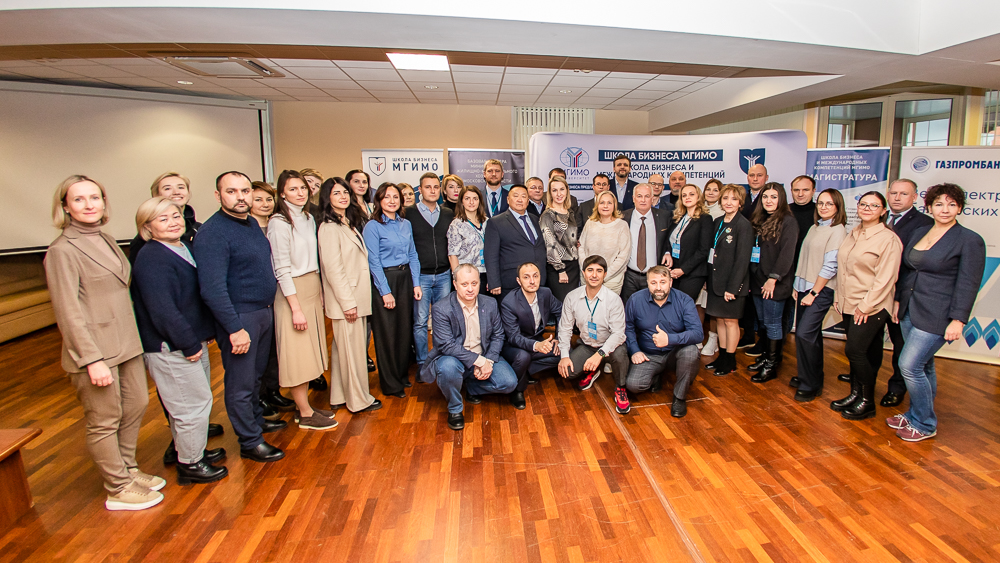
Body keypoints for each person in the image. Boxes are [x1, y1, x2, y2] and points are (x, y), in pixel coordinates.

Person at [45, 175, 164, 510]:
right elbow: (67, 311)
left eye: (95, 197)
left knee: (136, 404)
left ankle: (128, 468)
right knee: (104, 419)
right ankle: (117, 487)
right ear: (65, 206)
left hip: (126, 342)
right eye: (79, 199)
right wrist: (91, 359)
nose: (89, 205)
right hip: (95, 350)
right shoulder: (62, 250)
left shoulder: (106, 238)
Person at [131, 197, 228, 485]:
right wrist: (188, 343)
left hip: (191, 340)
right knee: (190, 406)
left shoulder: (182, 247)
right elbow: (163, 310)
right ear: (147, 227)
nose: (173, 222)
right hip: (172, 346)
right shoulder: (151, 257)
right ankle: (190, 465)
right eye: (163, 219)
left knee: (194, 402)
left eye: (175, 216)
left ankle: (191, 451)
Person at [194, 171, 286, 463]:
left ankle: (256, 422)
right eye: (231, 191)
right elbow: (212, 289)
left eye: (245, 191)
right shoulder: (213, 233)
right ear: (218, 195)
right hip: (240, 317)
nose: (240, 197)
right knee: (241, 382)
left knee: (256, 376)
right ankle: (250, 441)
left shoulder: (250, 224)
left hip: (263, 311)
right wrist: (234, 328)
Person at [889, 183, 985, 442]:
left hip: (939, 314)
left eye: (952, 204)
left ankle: (925, 423)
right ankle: (914, 414)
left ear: (960, 208)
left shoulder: (969, 239)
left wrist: (958, 320)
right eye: (939, 204)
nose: (945, 209)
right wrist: (898, 300)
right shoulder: (921, 231)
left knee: (909, 366)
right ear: (929, 207)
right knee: (925, 365)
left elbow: (969, 283)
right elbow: (908, 271)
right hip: (910, 308)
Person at [266, 170, 335, 430]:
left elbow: (314, 260)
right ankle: (305, 413)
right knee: (296, 354)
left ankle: (303, 406)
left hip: (311, 285)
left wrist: (319, 292)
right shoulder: (279, 223)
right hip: (291, 291)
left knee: (309, 352)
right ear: (282, 193)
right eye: (293, 189)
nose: (300, 193)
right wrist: (295, 308)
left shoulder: (307, 217)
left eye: (303, 188)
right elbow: (281, 269)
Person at [419, 264, 518, 431]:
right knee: (447, 368)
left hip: (484, 354)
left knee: (509, 383)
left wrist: (488, 361)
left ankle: (470, 387)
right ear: (455, 284)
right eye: (464, 284)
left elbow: (498, 335)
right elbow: (446, 345)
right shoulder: (441, 308)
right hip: (454, 359)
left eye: (474, 283)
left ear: (480, 283)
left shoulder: (490, 303)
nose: (470, 289)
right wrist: (479, 361)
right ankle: (455, 408)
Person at [830, 191, 902, 421]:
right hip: (849, 301)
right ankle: (855, 394)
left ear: (883, 211)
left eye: (874, 205)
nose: (867, 209)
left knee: (855, 351)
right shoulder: (854, 233)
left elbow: (886, 278)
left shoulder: (888, 239)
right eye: (863, 204)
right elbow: (843, 269)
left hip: (872, 305)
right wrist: (839, 296)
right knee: (866, 352)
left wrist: (865, 306)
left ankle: (867, 401)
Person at [318, 178, 382, 414]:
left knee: (342, 351)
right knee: (353, 353)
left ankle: (339, 395)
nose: (343, 197)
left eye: (345, 192)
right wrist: (347, 304)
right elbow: (333, 270)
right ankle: (358, 400)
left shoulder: (346, 223)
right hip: (348, 301)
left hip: (356, 297)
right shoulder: (328, 228)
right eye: (336, 193)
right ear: (327, 198)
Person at [874, 178, 935, 406]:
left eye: (904, 194)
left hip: (900, 295)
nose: (897, 198)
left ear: (915, 197)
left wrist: (899, 297)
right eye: (893, 193)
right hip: (874, 292)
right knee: (870, 339)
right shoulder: (878, 217)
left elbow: (912, 266)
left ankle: (897, 388)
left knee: (900, 345)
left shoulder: (924, 224)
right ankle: (864, 376)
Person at [363, 182, 423, 398]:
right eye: (387, 197)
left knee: (404, 330)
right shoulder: (373, 226)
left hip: (405, 278)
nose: (392, 201)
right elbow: (374, 261)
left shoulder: (405, 224)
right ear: (379, 200)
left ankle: (401, 375)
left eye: (395, 197)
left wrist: (416, 283)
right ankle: (390, 383)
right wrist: (385, 292)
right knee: (387, 333)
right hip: (386, 279)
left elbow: (413, 254)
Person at [624, 266, 703, 417]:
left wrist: (669, 339)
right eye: (653, 283)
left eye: (663, 282)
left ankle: (679, 398)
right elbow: (628, 328)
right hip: (649, 355)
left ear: (670, 282)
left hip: (675, 353)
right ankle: (657, 375)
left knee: (691, 351)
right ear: (647, 283)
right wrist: (635, 351)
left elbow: (698, 334)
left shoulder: (684, 300)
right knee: (634, 385)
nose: (658, 288)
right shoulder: (635, 300)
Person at [791, 189, 847, 401]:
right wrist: (797, 286)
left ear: (838, 207)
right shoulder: (815, 227)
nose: (823, 207)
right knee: (808, 336)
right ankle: (808, 376)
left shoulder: (837, 230)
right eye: (821, 203)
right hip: (804, 287)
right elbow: (804, 258)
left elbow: (830, 266)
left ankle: (811, 384)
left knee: (805, 334)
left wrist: (814, 292)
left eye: (829, 204)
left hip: (820, 291)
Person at [557, 255, 629, 412]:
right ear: (583, 273)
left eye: (599, 271)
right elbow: (565, 328)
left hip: (610, 347)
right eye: (590, 270)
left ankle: (621, 388)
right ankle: (592, 370)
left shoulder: (614, 299)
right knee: (567, 371)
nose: (594, 275)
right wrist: (564, 356)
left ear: (605, 274)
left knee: (620, 354)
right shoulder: (572, 297)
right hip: (588, 345)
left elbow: (618, 334)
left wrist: (600, 355)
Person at [249, 181, 296, 412]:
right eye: (258, 199)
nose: (265, 204)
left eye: (269, 199)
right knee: (256, 355)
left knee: (274, 349)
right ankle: (258, 398)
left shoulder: (276, 225)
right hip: (256, 299)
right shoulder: (248, 229)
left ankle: (273, 390)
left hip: (277, 292)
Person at [746, 183, 799, 383]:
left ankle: (772, 365)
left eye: (774, 197)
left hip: (774, 283)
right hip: (758, 280)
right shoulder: (759, 219)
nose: (769, 200)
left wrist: (773, 278)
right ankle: (766, 356)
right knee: (763, 322)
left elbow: (787, 254)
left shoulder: (788, 221)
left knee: (773, 323)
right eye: (765, 197)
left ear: (781, 199)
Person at [407, 172, 455, 368]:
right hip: (421, 276)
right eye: (428, 187)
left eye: (436, 187)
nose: (432, 190)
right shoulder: (408, 213)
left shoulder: (448, 213)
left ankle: (439, 360)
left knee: (441, 320)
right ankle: (422, 363)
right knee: (420, 322)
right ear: (420, 190)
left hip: (444, 275)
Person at [705, 184, 753, 376]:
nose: (729, 202)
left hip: (732, 284)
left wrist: (732, 288)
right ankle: (722, 356)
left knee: (731, 322)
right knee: (720, 320)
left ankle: (730, 360)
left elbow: (742, 260)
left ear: (740, 202)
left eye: (733, 199)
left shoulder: (743, 225)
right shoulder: (718, 222)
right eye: (725, 198)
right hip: (716, 281)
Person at [500, 262, 563, 408]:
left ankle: (526, 370)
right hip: (513, 345)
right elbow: (513, 337)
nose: (532, 281)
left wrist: (558, 338)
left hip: (535, 340)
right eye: (526, 277)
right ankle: (517, 389)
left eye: (535, 276)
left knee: (564, 353)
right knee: (523, 357)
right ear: (519, 281)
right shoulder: (509, 302)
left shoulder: (545, 293)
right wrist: (537, 345)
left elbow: (561, 312)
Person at [484, 184, 547, 303]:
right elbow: (490, 255)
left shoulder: (535, 219)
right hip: (511, 281)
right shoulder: (496, 222)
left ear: (528, 201)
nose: (519, 199)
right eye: (516, 196)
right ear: (508, 199)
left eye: (523, 196)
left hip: (537, 280)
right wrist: (494, 282)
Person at [128, 172, 201, 266]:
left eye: (181, 187)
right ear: (156, 195)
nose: (176, 192)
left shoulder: (199, 229)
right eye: (167, 188)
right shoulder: (144, 240)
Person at [737, 164, 770, 350]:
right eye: (751, 175)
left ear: (766, 177)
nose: (755, 178)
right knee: (747, 300)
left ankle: (764, 341)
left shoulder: (769, 198)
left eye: (759, 175)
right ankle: (748, 335)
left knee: (762, 301)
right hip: (745, 254)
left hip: (763, 257)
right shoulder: (743, 197)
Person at [621, 184, 670, 304]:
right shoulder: (623, 217)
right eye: (639, 196)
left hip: (654, 276)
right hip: (629, 275)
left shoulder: (664, 216)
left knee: (652, 309)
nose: (643, 200)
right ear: (633, 198)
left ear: (652, 198)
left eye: (647, 196)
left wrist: (667, 252)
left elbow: (669, 238)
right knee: (629, 308)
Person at [665, 184, 713, 303]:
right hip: (674, 270)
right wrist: (667, 253)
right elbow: (668, 239)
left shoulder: (705, 219)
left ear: (698, 197)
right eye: (684, 195)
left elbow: (704, 250)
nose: (687, 197)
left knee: (683, 306)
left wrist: (683, 270)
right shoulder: (678, 218)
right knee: (672, 306)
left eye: (691, 194)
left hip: (693, 273)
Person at [579, 190, 631, 295]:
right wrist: (588, 272)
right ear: (597, 205)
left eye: (609, 203)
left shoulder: (622, 225)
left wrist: (604, 275)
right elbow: (581, 248)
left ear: (614, 205)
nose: (605, 206)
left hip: (611, 280)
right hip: (588, 279)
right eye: (602, 202)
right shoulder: (590, 223)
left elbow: (624, 256)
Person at [540, 176, 580, 302]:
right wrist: (560, 269)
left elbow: (569, 235)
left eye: (562, 189)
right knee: (562, 305)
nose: (559, 194)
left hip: (574, 266)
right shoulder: (548, 215)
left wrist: (574, 242)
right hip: (559, 268)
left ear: (567, 191)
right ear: (550, 193)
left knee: (573, 305)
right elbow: (549, 244)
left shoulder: (570, 212)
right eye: (554, 190)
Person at [700, 177, 726, 357]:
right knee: (700, 303)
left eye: (715, 190)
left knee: (713, 305)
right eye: (708, 189)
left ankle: (713, 338)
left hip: (716, 264)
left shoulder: (723, 212)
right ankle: (699, 336)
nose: (711, 192)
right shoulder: (700, 210)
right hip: (701, 262)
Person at [448, 184, 489, 290]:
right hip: (466, 275)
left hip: (485, 273)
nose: (471, 202)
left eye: (475, 198)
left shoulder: (487, 222)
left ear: (480, 201)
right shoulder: (456, 224)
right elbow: (452, 255)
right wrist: (458, 278)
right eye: (467, 198)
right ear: (462, 202)